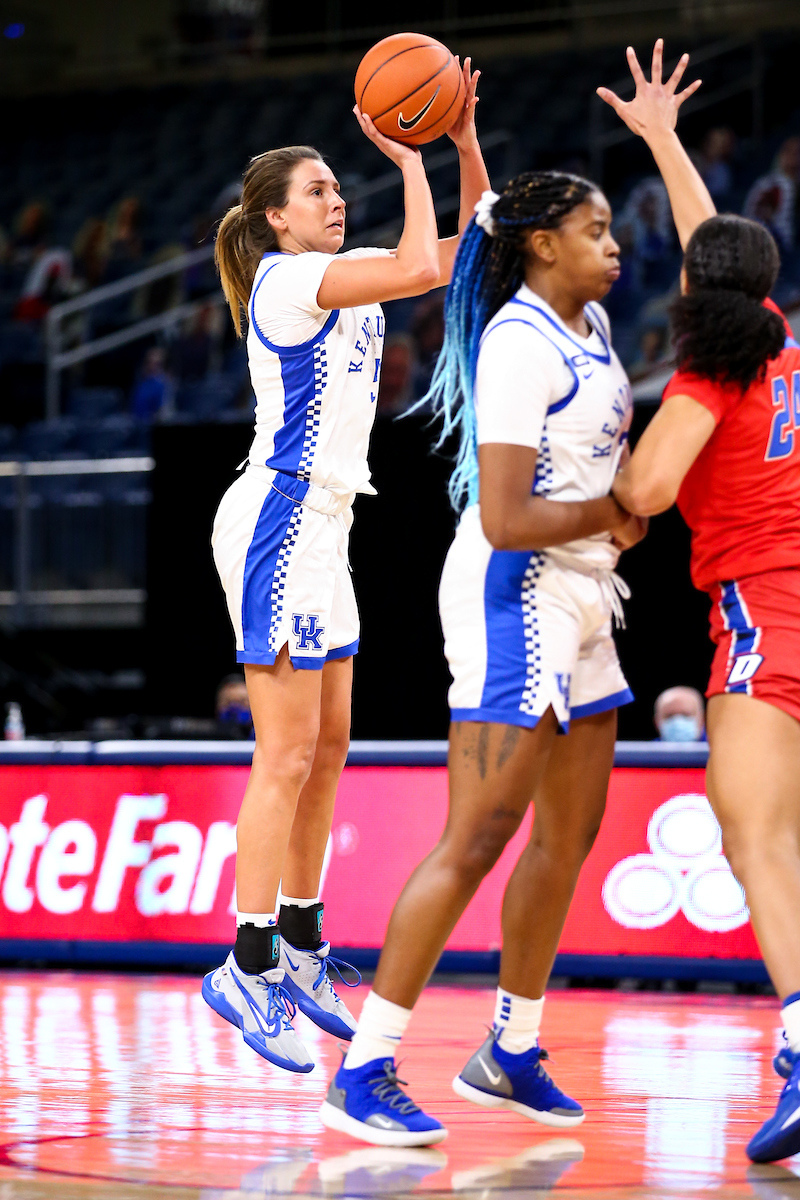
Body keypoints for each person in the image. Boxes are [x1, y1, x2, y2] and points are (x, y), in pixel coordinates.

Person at [319, 40, 703, 1150]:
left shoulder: (582, 325)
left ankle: (510, 1046)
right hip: (510, 592)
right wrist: (618, 507)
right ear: (547, 247)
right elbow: (502, 516)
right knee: (476, 836)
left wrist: (465, 142)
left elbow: (482, 219)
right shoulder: (517, 347)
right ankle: (369, 1063)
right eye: (591, 230)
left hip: (585, 597)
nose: (610, 243)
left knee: (568, 835)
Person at [202, 62, 490, 1075]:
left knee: (329, 750)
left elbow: (462, 253)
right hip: (278, 514)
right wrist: (406, 152)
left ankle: (301, 943)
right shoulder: (288, 280)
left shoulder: (350, 267)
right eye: (317, 190)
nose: (336, 197)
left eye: (338, 186)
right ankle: (243, 962)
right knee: (281, 755)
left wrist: (457, 145)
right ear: (277, 222)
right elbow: (418, 265)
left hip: (329, 527)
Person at [607, 54, 800, 1167]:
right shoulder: (769, 335)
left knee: (753, 837)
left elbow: (642, 493)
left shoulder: (703, 378)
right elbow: (708, 248)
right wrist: (665, 142)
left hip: (763, 610)